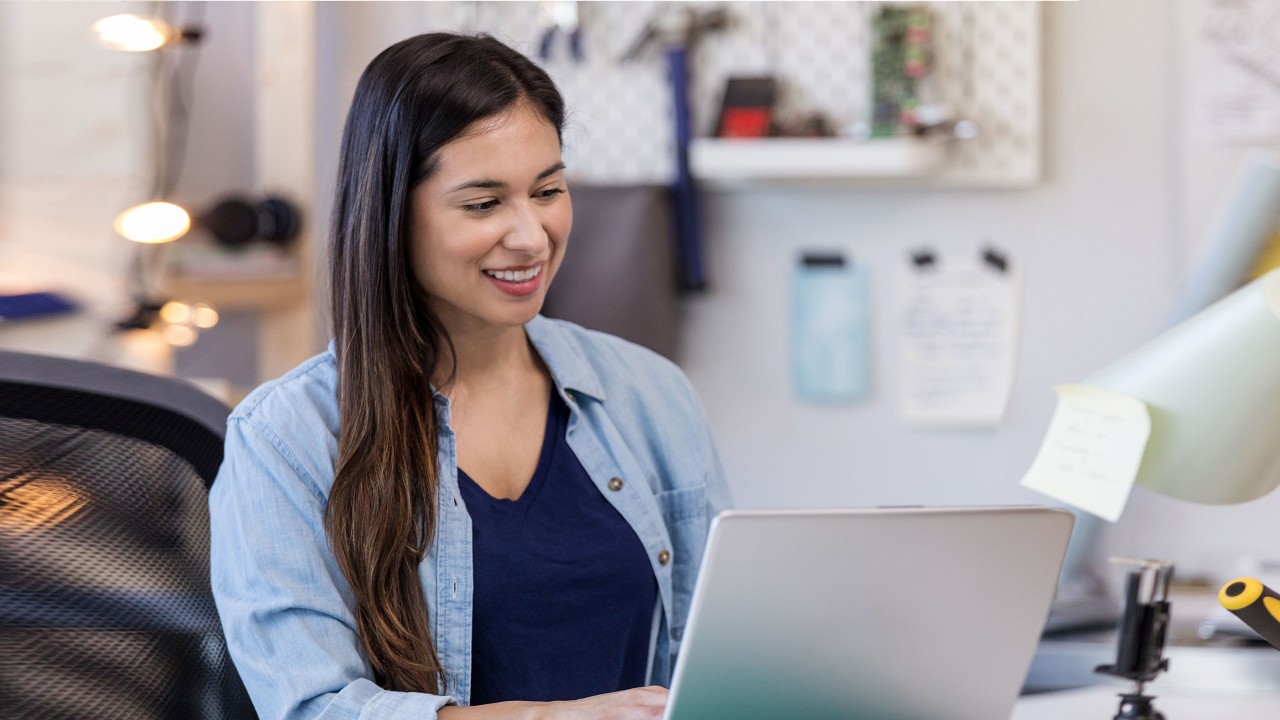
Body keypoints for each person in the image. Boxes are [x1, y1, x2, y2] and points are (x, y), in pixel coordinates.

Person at [209, 32, 731, 720]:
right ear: (392, 214)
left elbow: (719, 657)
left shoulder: (650, 393)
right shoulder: (284, 437)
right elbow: (314, 708)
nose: (531, 236)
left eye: (547, 190)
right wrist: (547, 719)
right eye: (483, 204)